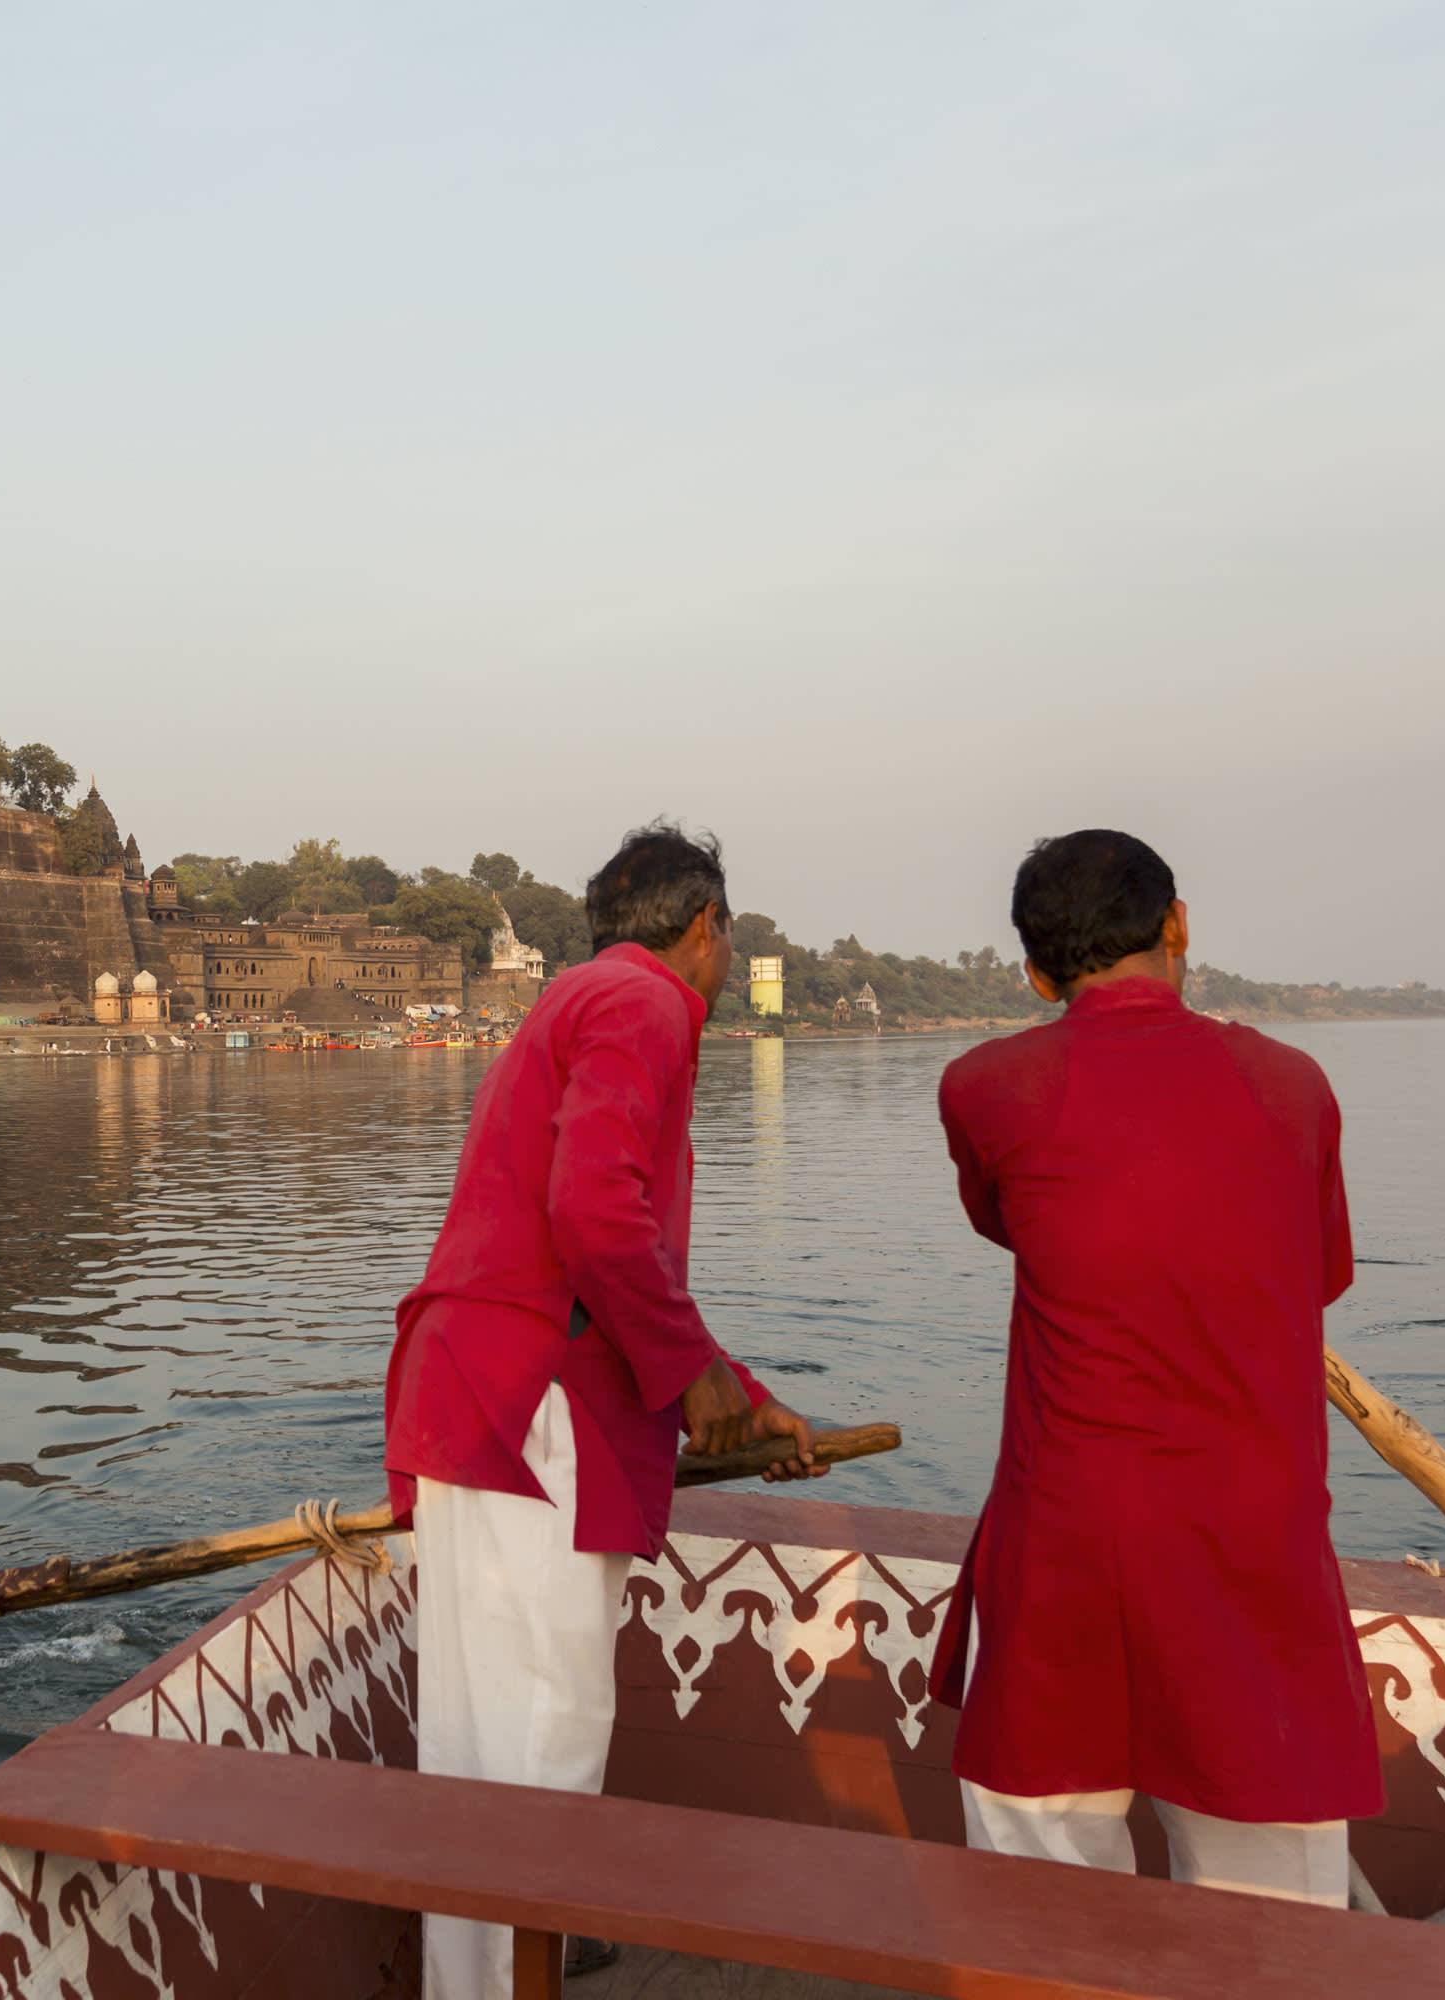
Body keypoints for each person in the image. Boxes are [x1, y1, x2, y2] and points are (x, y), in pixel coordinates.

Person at [386, 822, 824, 2000]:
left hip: (470, 1388)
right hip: (533, 1406)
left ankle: (476, 1982)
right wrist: (699, 1381)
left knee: (477, 1739)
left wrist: (741, 1397)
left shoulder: (578, 996)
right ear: (707, 929)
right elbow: (595, 1213)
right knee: (546, 1728)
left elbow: (604, 1249)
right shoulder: (645, 1004)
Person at [932, 829, 1380, 1905]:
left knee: (1045, 1917)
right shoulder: (1291, 1084)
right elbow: (1315, 1275)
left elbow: (1012, 1223)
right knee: (1274, 1928)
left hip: (1068, 1542)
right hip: (1249, 1541)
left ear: (1035, 972)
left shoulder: (985, 1087)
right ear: (1178, 923)